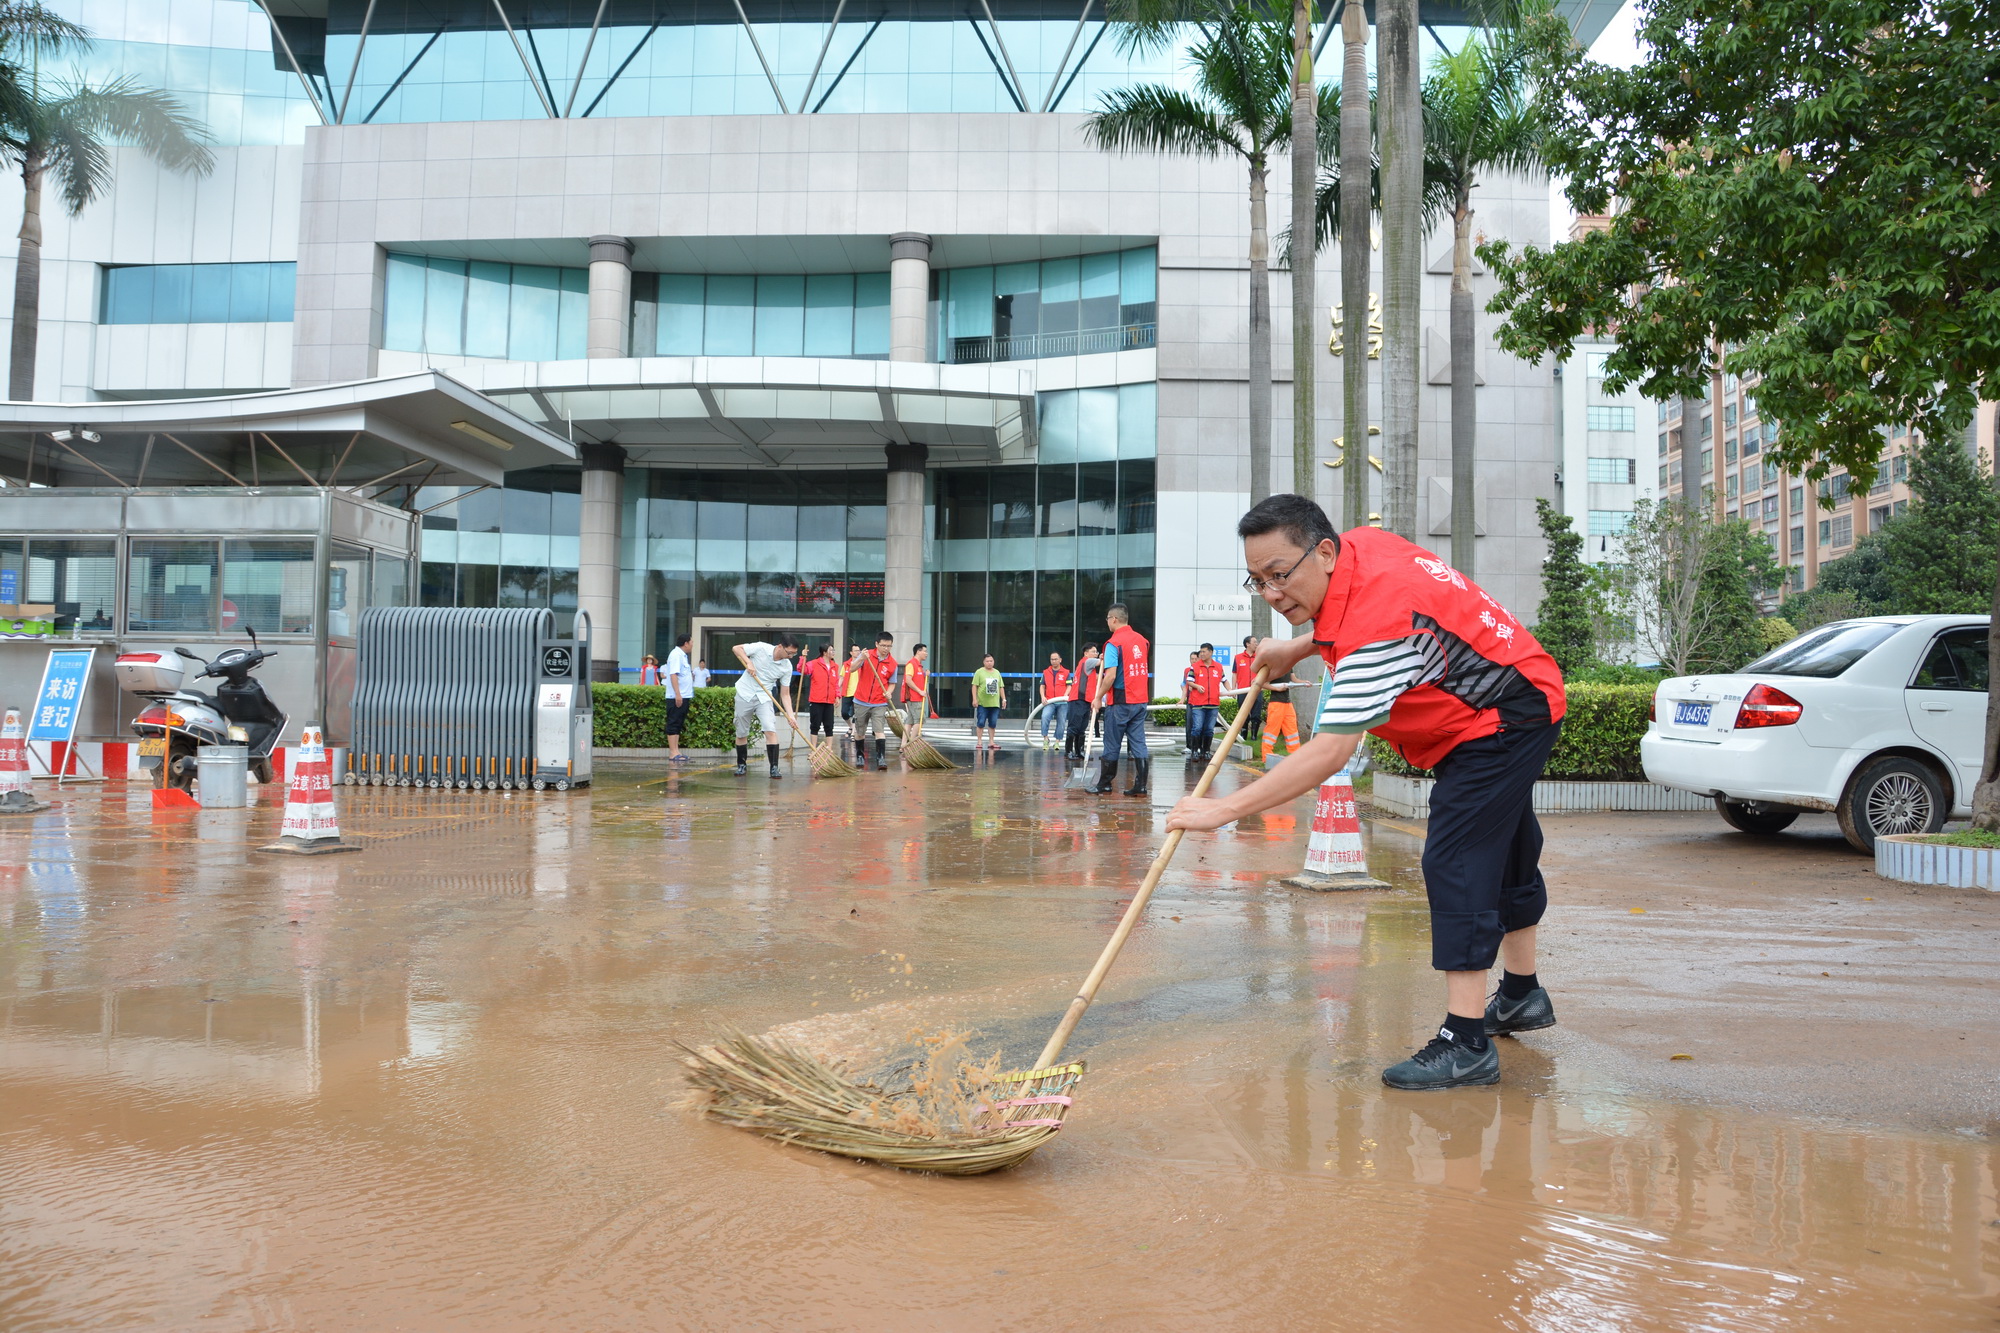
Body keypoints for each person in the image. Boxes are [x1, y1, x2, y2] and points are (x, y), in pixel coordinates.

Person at [1166, 494, 1567, 1092]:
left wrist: (1221, 809)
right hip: (1518, 687)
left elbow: (1328, 752)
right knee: (1505, 846)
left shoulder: (1377, 635)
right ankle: (1520, 995)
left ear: (1324, 552)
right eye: (1258, 581)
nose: (1272, 594)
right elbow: (1354, 617)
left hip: (1501, 716)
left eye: (1279, 575)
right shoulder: (1364, 546)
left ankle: (1466, 1043)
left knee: (1458, 859)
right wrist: (1298, 646)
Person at [1092, 603, 1151, 796]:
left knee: (1112, 743)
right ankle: (1141, 785)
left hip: (1120, 701)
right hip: (1140, 700)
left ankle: (1105, 783)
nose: (1107, 622)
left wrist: (1098, 697)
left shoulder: (1113, 643)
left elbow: (1110, 676)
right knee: (1138, 743)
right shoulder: (1143, 641)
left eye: (1108, 619)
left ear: (1114, 619)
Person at [731, 634, 801, 778]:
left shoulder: (787, 667)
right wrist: (749, 663)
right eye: (789, 653)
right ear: (780, 646)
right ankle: (741, 765)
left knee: (770, 729)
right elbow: (736, 648)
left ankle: (774, 768)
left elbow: (785, 694)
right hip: (745, 693)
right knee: (741, 731)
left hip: (764, 697)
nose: (791, 656)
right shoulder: (761, 648)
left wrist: (791, 716)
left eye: (794, 654)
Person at [850, 631, 898, 771]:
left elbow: (892, 683)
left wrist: (889, 692)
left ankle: (881, 758)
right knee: (860, 731)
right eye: (883, 645)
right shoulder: (867, 655)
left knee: (879, 730)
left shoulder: (892, 663)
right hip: (861, 700)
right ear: (876, 644)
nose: (886, 649)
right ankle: (860, 756)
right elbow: (852, 669)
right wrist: (861, 658)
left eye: (889, 646)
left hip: (879, 702)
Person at [1184, 642, 1225, 763]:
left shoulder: (1218, 667)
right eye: (1200, 651)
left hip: (1213, 704)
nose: (1201, 654)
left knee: (1209, 729)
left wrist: (1231, 691)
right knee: (1197, 727)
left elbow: (1224, 680)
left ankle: (1206, 751)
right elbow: (1189, 681)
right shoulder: (1195, 666)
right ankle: (1194, 751)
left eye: (1204, 651)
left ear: (1211, 652)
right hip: (1198, 704)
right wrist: (1197, 686)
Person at [664, 632, 697, 764]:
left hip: (684, 695)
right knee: (673, 723)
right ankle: (673, 752)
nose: (692, 645)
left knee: (678, 723)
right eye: (691, 642)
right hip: (676, 696)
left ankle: (676, 751)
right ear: (686, 643)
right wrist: (678, 694)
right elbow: (673, 675)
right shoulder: (676, 655)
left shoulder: (682, 655)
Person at [1064, 645, 1100, 761]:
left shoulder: (1088, 665)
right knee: (1074, 726)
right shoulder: (1087, 662)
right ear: (1086, 653)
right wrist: (1104, 656)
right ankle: (1068, 751)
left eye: (1097, 652)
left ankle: (1080, 751)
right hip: (1078, 700)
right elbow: (1101, 661)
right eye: (1093, 652)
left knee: (1082, 727)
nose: (1096, 654)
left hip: (1086, 700)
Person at [1260, 669, 1303, 765]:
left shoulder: (1289, 665)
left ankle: (1295, 756)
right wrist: (1277, 689)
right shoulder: (1274, 666)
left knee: (1292, 731)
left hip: (1287, 703)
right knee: (1271, 731)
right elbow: (1262, 683)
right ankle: (1266, 757)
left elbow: (1294, 679)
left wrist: (1304, 683)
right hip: (1276, 704)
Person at [1233, 635, 1264, 758]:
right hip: (1242, 690)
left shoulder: (1260, 657)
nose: (1257, 644)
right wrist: (1234, 689)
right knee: (1243, 714)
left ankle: (1254, 736)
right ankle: (1243, 735)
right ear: (1247, 644)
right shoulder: (1238, 658)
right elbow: (1234, 674)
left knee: (1256, 714)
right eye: (1254, 642)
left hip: (1257, 689)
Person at [804, 642, 842, 740]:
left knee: (829, 726)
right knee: (815, 725)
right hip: (816, 700)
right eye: (831, 650)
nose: (833, 652)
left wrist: (837, 696)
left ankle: (829, 748)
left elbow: (835, 683)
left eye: (833, 650)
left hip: (829, 701)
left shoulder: (835, 666)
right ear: (824, 652)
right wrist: (803, 658)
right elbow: (803, 670)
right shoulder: (814, 663)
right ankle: (813, 747)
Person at [970, 654, 1005, 750]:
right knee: (981, 722)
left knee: (993, 722)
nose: (989, 663)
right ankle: (979, 741)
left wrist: (1004, 699)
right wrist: (974, 699)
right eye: (987, 661)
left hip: (994, 703)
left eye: (991, 661)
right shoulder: (979, 672)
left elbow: (1001, 687)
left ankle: (991, 741)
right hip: (982, 703)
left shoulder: (997, 672)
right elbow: (974, 686)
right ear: (984, 662)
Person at [1040, 652, 1070, 750]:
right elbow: (1042, 686)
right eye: (1052, 659)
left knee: (1061, 721)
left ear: (1060, 660)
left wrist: (1065, 695)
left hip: (1062, 701)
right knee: (1045, 717)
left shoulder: (1066, 672)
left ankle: (1057, 741)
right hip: (1049, 701)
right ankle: (1045, 738)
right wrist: (1043, 696)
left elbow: (1069, 685)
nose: (1053, 661)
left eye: (1055, 659)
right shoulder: (1046, 672)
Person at [900, 642, 930, 733]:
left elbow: (919, 681)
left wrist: (926, 676)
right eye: (925, 651)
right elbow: (908, 680)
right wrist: (919, 691)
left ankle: (905, 741)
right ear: (918, 652)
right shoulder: (911, 664)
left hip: (917, 697)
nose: (926, 653)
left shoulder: (919, 666)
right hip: (914, 697)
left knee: (910, 722)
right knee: (919, 720)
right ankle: (913, 740)